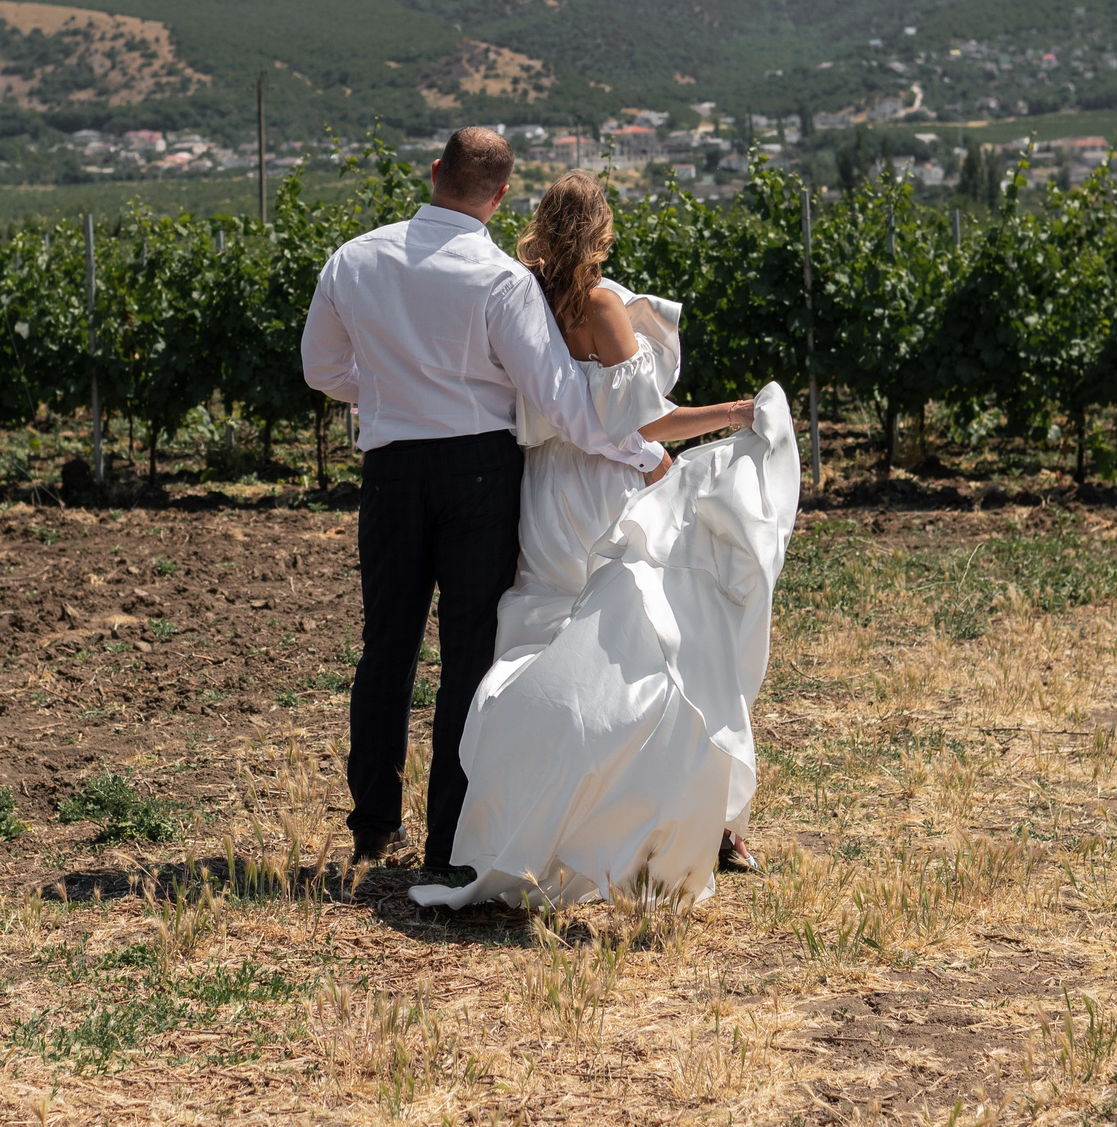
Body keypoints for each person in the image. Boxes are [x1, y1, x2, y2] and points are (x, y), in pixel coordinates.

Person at [408, 171, 796, 912]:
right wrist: (736, 410)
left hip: (542, 492)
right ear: (602, 230)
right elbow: (637, 424)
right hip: (601, 491)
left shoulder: (520, 297)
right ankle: (659, 821)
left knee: (551, 645)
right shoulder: (601, 305)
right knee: (646, 650)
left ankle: (542, 822)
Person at [300, 129, 668, 871]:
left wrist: (388, 390)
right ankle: (450, 839)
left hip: (391, 470)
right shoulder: (502, 281)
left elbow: (320, 368)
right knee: (470, 653)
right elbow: (563, 403)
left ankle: (373, 822)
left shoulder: (354, 258)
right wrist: (640, 450)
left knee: (387, 646)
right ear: (501, 197)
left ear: (434, 171)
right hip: (479, 473)